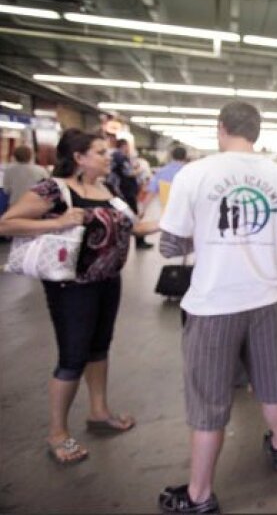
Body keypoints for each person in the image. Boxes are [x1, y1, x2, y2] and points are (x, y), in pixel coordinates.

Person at [157, 101, 277, 514]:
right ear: (257, 132)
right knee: (273, 381)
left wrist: (210, 239)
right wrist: (260, 238)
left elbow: (169, 245)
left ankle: (200, 496)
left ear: (220, 128)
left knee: (208, 401)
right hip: (265, 300)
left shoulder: (195, 174)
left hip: (213, 306)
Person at [0, 128, 159, 465]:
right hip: (70, 285)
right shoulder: (52, 189)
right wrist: (56, 223)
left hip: (107, 280)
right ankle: (57, 433)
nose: (108, 157)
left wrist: (176, 221)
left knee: (99, 348)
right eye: (100, 152)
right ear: (79, 157)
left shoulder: (108, 189)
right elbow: (6, 224)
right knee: (73, 357)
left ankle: (98, 412)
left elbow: (134, 227)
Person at [109, 138, 152, 250]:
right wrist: (141, 170)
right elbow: (128, 173)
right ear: (123, 146)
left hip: (125, 191)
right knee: (133, 216)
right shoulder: (119, 157)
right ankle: (139, 241)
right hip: (125, 192)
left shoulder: (121, 157)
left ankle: (138, 240)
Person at [142, 146, 188, 213]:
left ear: (172, 156)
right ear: (185, 157)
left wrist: (143, 210)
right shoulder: (189, 172)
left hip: (165, 211)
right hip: (184, 211)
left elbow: (151, 192)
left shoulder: (161, 172)